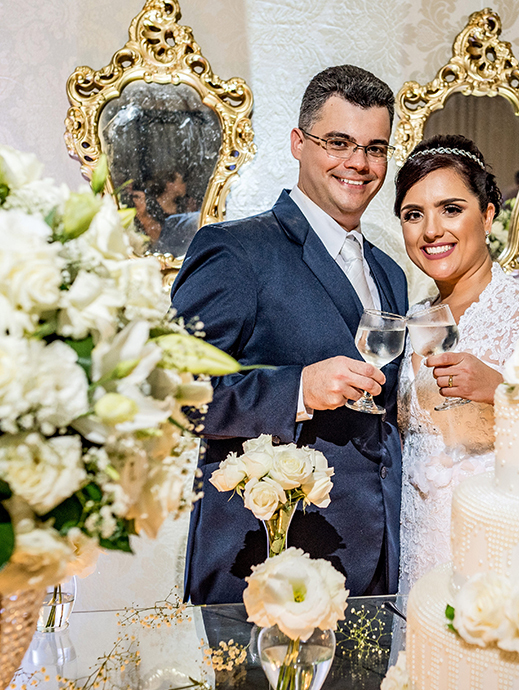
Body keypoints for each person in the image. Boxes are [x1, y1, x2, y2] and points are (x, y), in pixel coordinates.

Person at [171, 65, 409, 604]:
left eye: (375, 148)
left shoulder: (391, 273)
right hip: (266, 555)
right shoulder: (235, 250)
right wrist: (298, 389)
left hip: (376, 561)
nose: (359, 163)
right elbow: (175, 391)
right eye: (339, 142)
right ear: (299, 144)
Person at [394, 135, 519, 586]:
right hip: (415, 543)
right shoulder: (412, 318)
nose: (431, 230)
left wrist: (500, 390)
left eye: (451, 209)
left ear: (488, 214)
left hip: (490, 545)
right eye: (413, 215)